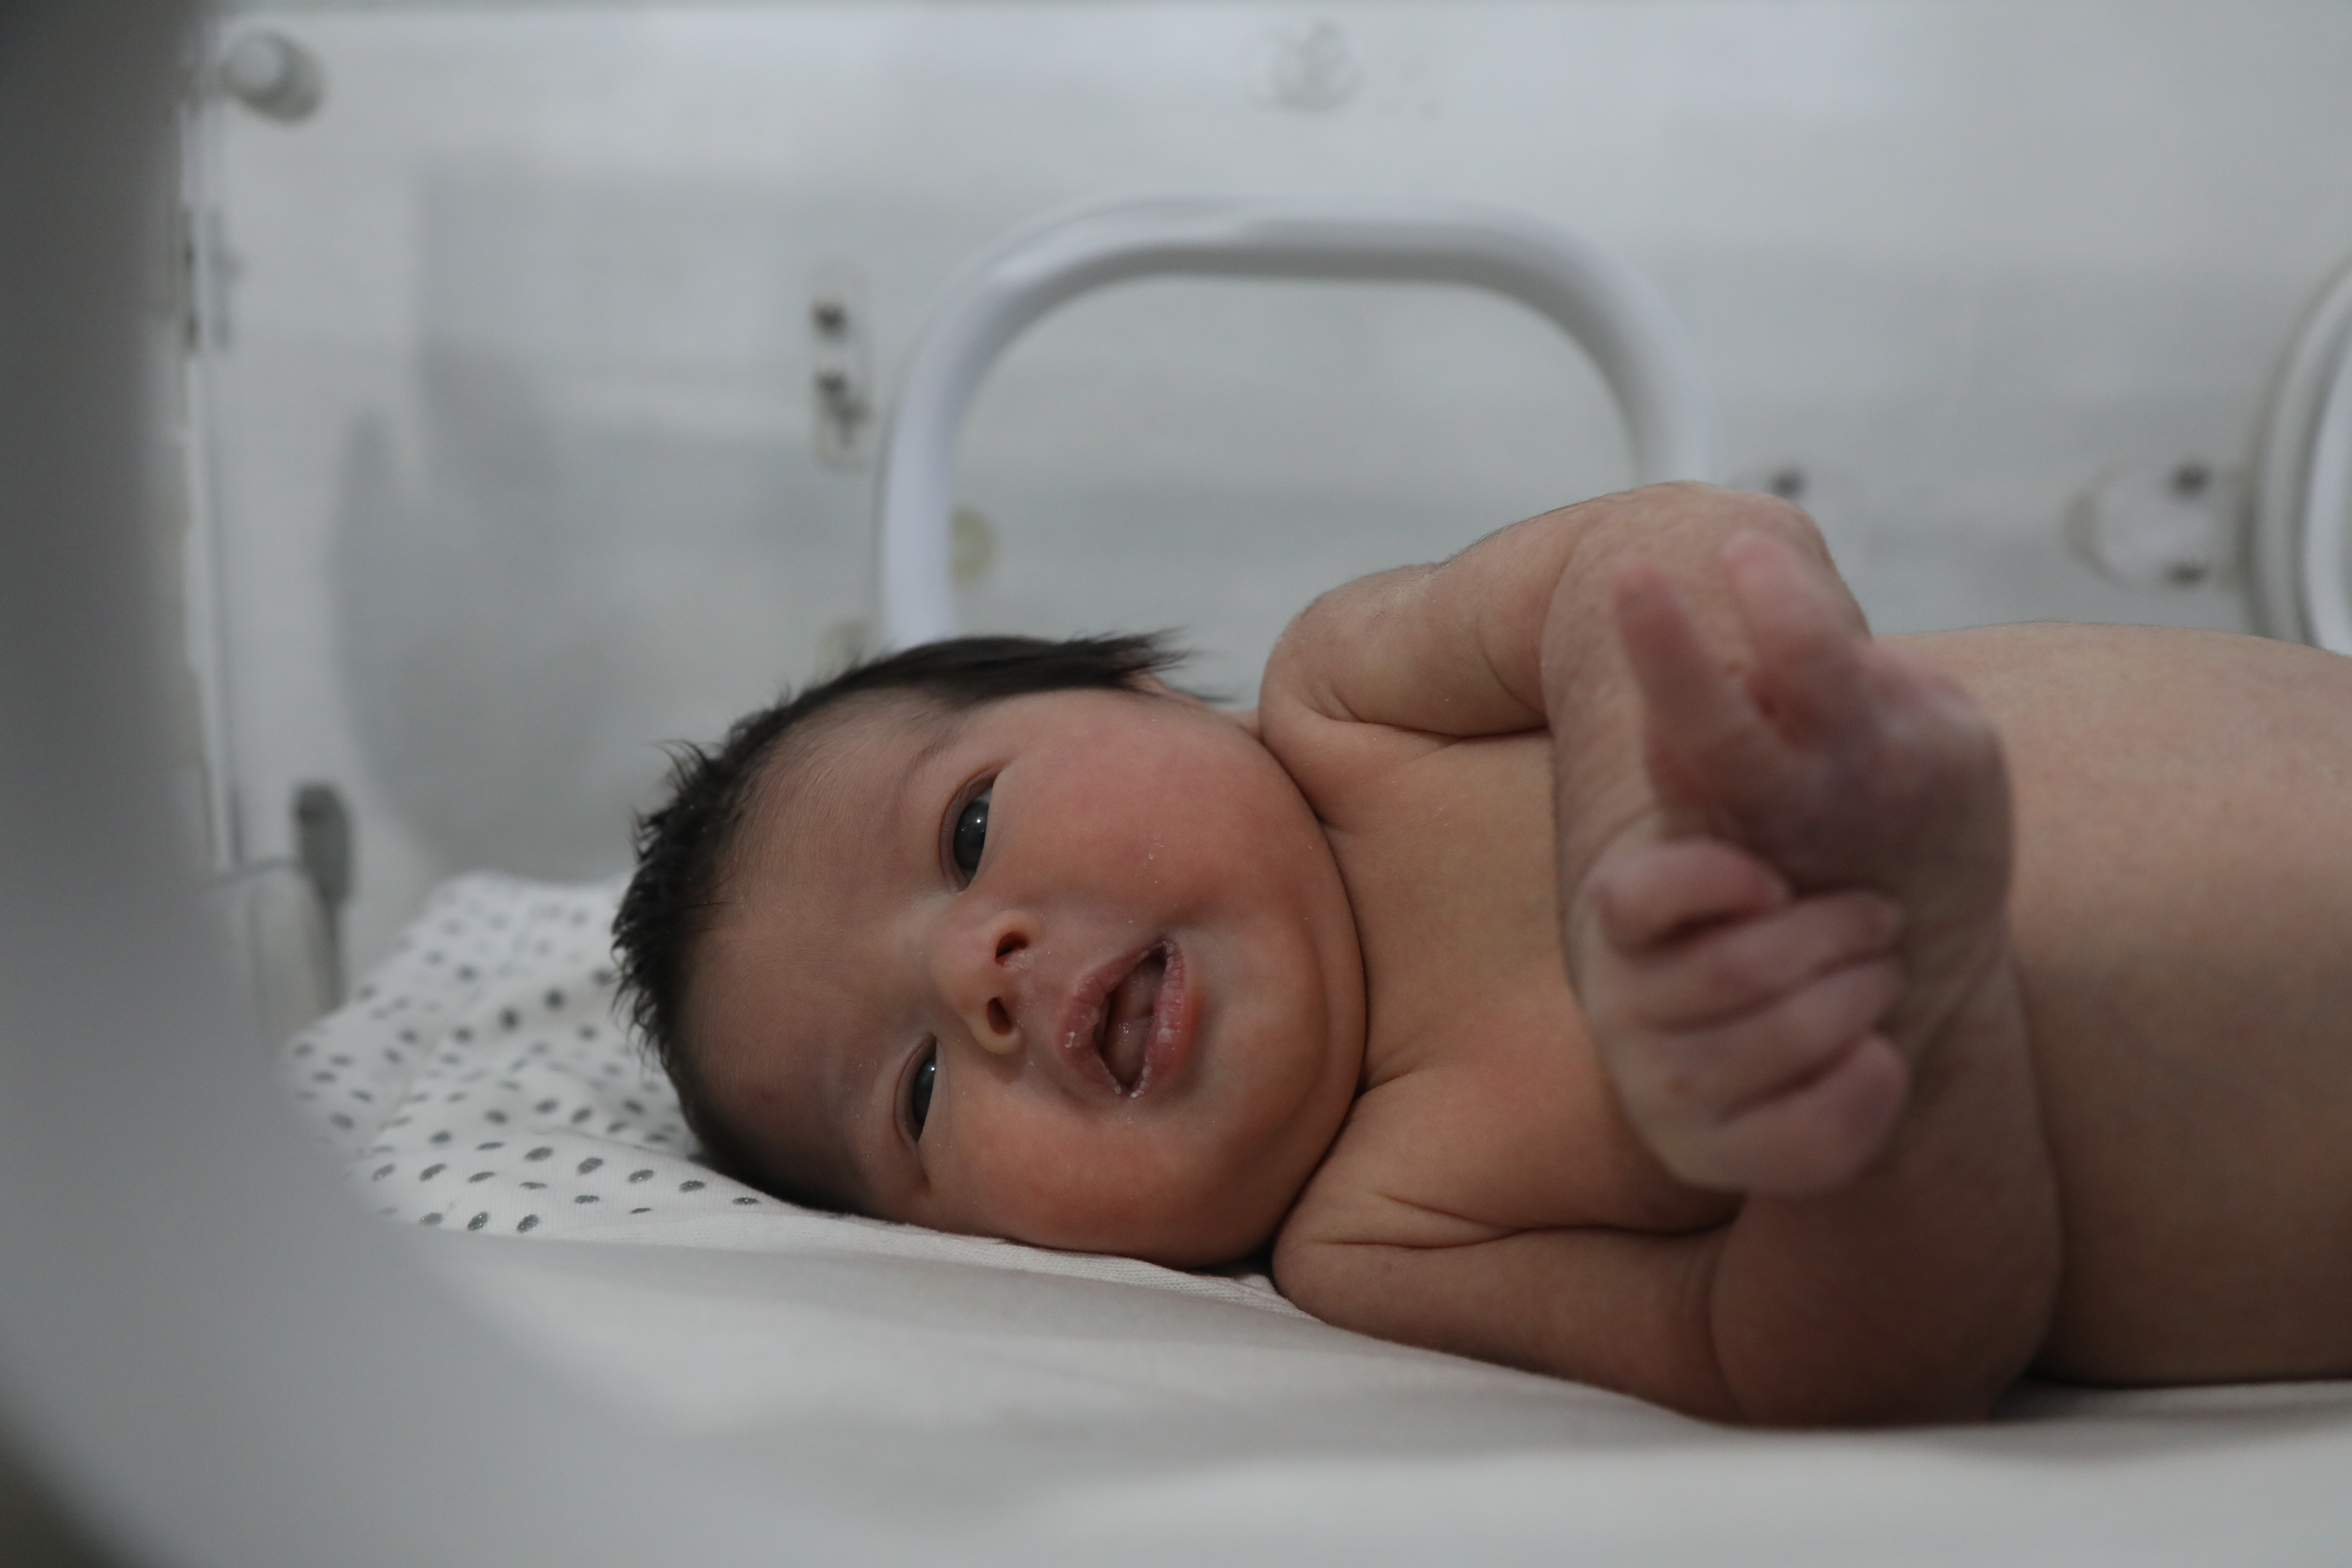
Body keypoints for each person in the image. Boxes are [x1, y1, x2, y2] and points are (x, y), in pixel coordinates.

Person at [612, 481, 2352, 1426]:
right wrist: (1914, 1013)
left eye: (969, 830)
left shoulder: (1363, 700)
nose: (978, 974)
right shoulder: (1385, 1230)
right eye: (916, 1094)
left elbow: (1669, 548)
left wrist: (1630, 842)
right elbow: (1839, 1359)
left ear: (1138, 688)